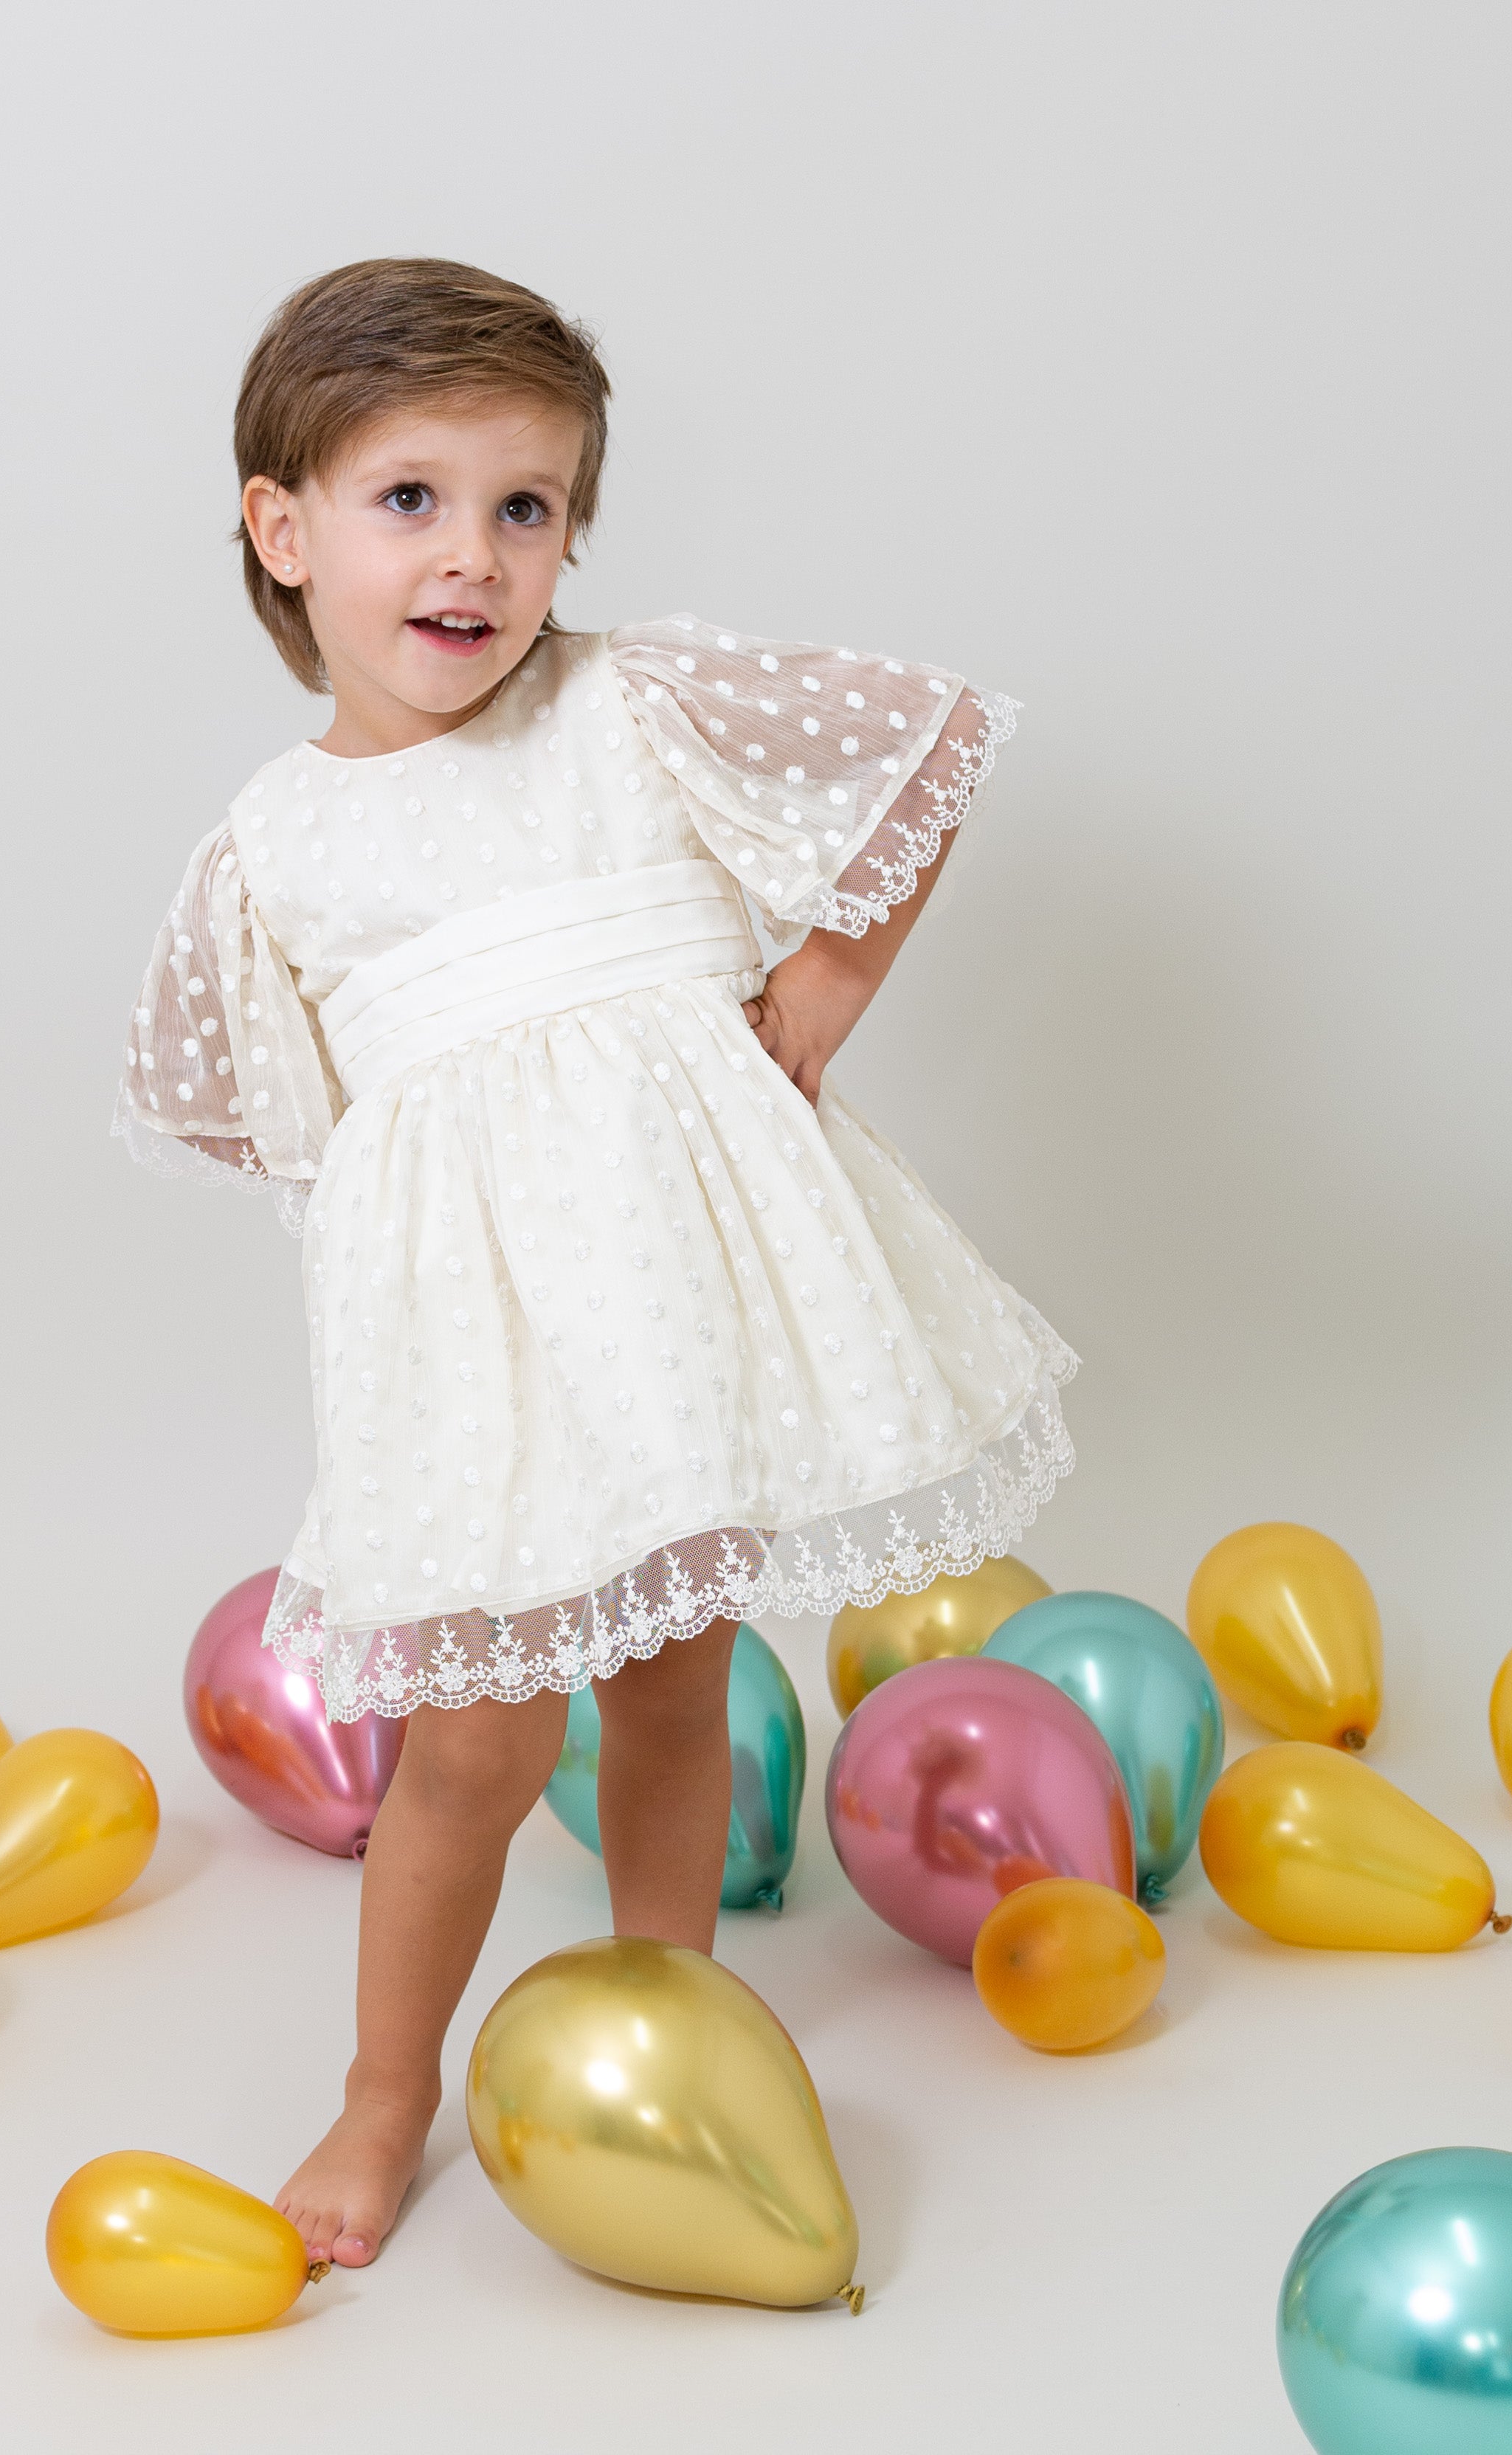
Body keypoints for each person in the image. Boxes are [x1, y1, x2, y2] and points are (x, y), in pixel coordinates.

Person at [115, 257, 1077, 2270]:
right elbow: (301, 1129)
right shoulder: (275, 845)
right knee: (472, 1744)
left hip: (669, 1297)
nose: (473, 554)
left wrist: (821, 990)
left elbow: (919, 746)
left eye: (526, 505)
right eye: (409, 499)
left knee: (670, 1678)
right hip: (480, 1342)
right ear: (283, 531)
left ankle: (675, 2007)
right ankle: (384, 2094)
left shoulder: (628, 705)